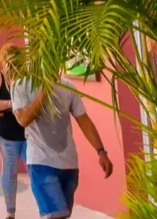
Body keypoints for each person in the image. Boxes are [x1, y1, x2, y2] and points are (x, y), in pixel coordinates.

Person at [12, 76, 114, 219]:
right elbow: (23, 119)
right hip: (41, 163)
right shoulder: (21, 85)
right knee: (55, 215)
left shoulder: (67, 86)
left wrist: (101, 151)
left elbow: (83, 120)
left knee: (62, 215)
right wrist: (45, 90)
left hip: (69, 165)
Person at [0, 45, 28, 219]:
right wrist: (11, 104)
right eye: (9, 58)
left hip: (29, 134)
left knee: (36, 170)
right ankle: (10, 211)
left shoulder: (27, 78)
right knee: (10, 171)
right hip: (7, 135)